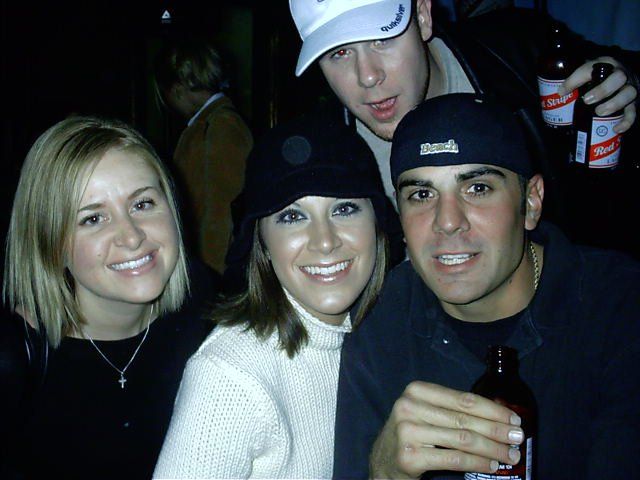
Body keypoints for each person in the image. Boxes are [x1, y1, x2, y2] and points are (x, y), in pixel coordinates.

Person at [332, 93, 640, 478]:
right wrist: (386, 473)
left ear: (531, 202)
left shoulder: (617, 303)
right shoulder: (378, 320)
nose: (447, 222)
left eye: (477, 188)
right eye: (422, 195)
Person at [287, 0, 639, 246]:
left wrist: (630, 83)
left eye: (383, 38)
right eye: (340, 52)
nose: (367, 76)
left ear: (423, 15)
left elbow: (616, 70)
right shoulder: (323, 157)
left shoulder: (518, 51)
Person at [153, 115, 390, 479]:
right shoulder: (229, 378)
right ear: (261, 241)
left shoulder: (387, 336)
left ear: (377, 222)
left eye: (344, 209)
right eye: (293, 216)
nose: (325, 241)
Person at [0, 116, 217, 479]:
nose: (131, 237)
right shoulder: (15, 360)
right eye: (93, 219)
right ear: (50, 243)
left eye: (142, 204)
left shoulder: (202, 302)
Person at [154, 34, 253, 275]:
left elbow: (221, 212)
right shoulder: (208, 125)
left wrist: (210, 277)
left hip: (213, 269)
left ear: (178, 90)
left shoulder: (219, 127)